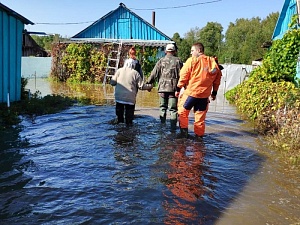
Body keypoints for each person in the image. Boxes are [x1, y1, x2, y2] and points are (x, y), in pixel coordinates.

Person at [175, 42, 222, 139]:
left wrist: (178, 88)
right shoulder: (213, 63)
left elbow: (184, 75)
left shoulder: (192, 60)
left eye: (192, 51)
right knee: (200, 119)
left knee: (182, 113)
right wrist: (214, 93)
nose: (191, 53)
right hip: (204, 97)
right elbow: (217, 79)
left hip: (191, 94)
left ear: (199, 50)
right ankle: (199, 140)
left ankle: (184, 135)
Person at [147, 43, 183, 131]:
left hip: (162, 88)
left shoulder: (161, 61)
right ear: (174, 51)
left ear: (165, 51)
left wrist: (148, 83)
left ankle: (162, 127)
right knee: (173, 110)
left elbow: (154, 73)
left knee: (162, 108)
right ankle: (173, 130)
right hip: (174, 89)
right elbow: (183, 75)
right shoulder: (178, 61)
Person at [110, 58, 152, 126]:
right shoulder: (135, 73)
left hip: (119, 98)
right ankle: (129, 132)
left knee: (119, 119)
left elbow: (112, 83)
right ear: (133, 65)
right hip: (130, 100)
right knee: (129, 121)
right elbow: (141, 86)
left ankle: (119, 130)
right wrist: (150, 86)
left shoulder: (119, 71)